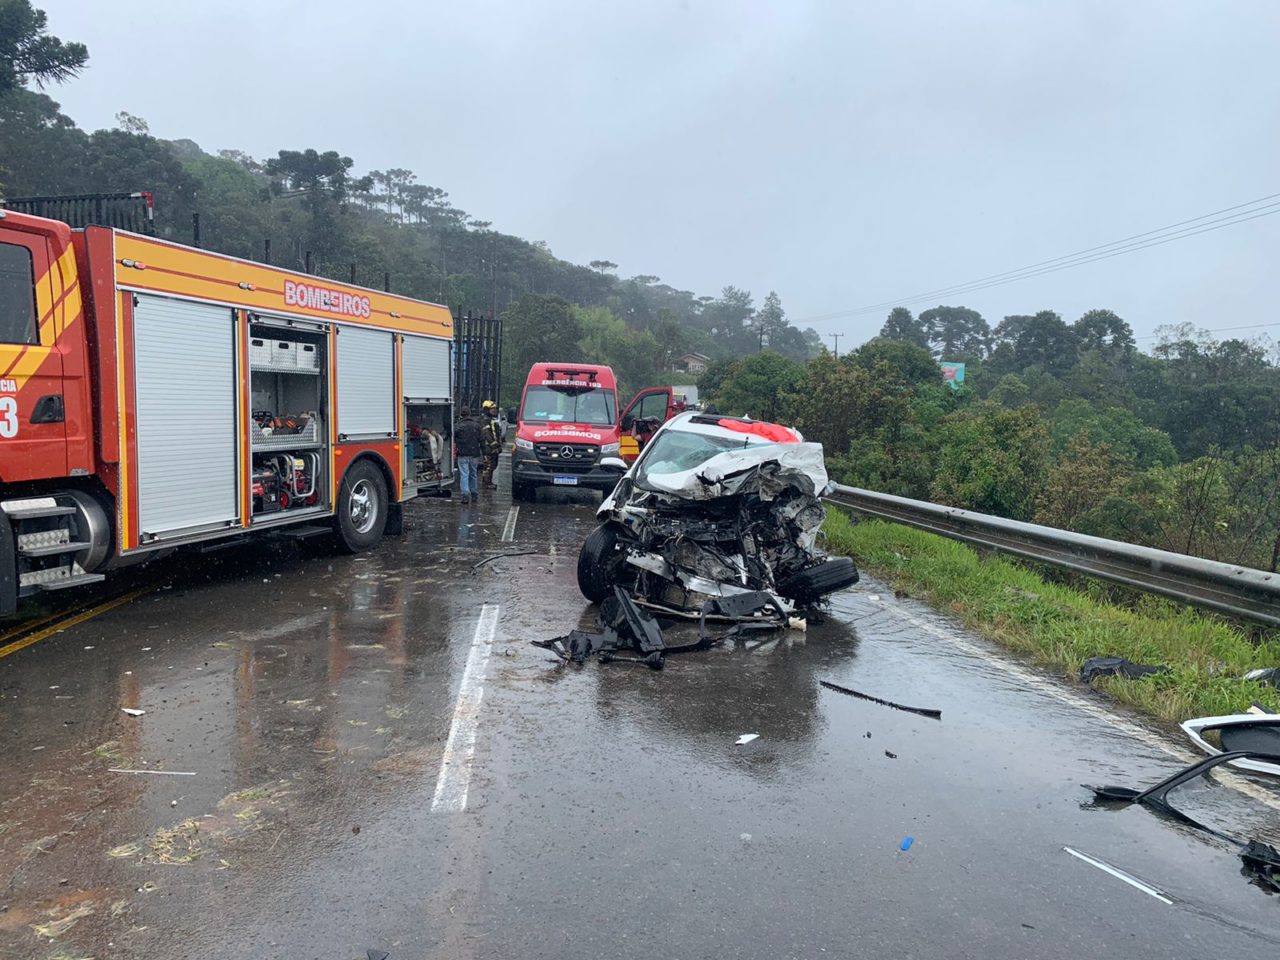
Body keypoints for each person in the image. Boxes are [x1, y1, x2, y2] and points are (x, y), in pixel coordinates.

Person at [453, 406, 483, 503]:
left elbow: (453, 438)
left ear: (461, 414)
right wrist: (485, 452)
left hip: (463, 453)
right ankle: (474, 493)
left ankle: (465, 495)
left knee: (464, 474)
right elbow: (481, 439)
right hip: (474, 453)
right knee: (473, 473)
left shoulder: (458, 426)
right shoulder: (476, 425)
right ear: (470, 414)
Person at [480, 399, 504, 488]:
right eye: (492, 408)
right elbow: (487, 434)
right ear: (486, 409)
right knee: (489, 466)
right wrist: (495, 445)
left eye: (495, 408)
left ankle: (487, 482)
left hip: (492, 448)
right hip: (488, 448)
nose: (494, 410)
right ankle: (487, 483)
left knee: (492, 465)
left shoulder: (490, 420)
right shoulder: (485, 420)